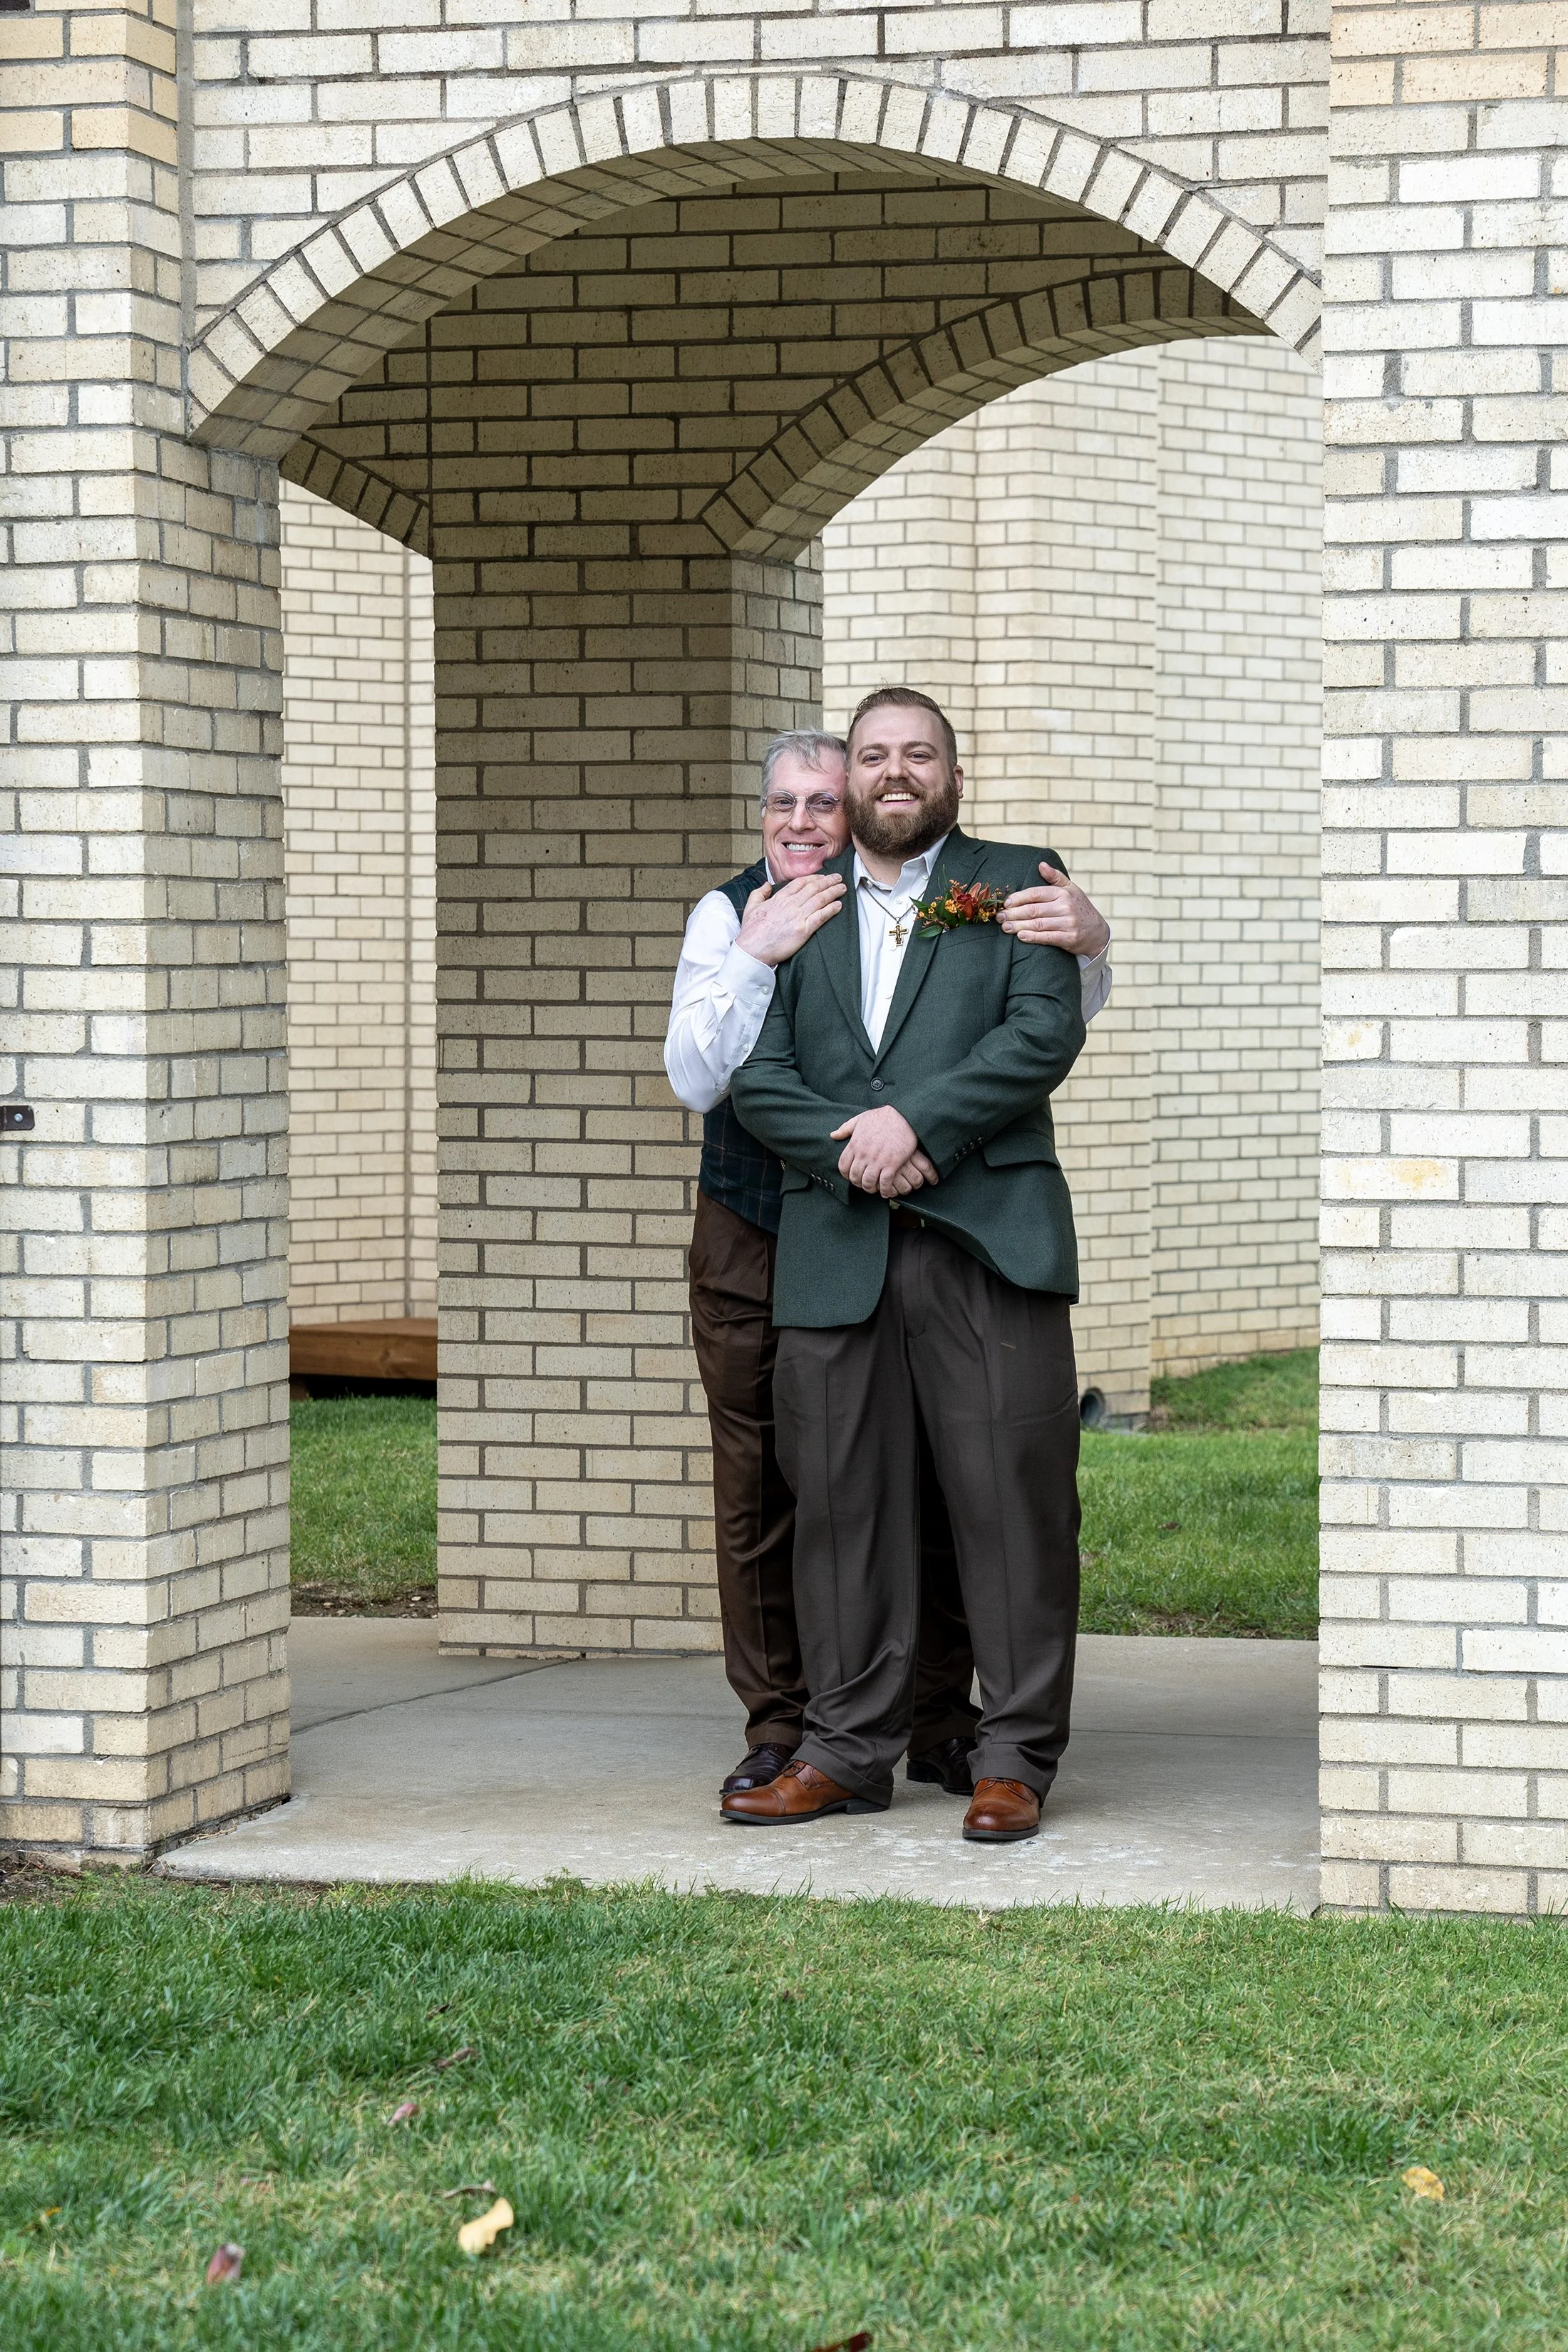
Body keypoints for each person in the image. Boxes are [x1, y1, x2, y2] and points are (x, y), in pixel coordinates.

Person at [665, 725, 1110, 1801]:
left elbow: (1041, 1033)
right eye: (871, 757)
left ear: (957, 776)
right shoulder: (785, 909)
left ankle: (1007, 1757)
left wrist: (910, 1125)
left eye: (918, 754)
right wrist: (861, 1152)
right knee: (837, 1510)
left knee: (1008, 1506)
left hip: (985, 1237)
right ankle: (840, 1749)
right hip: (831, 1244)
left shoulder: (1013, 882)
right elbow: (742, 1075)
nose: (891, 774)